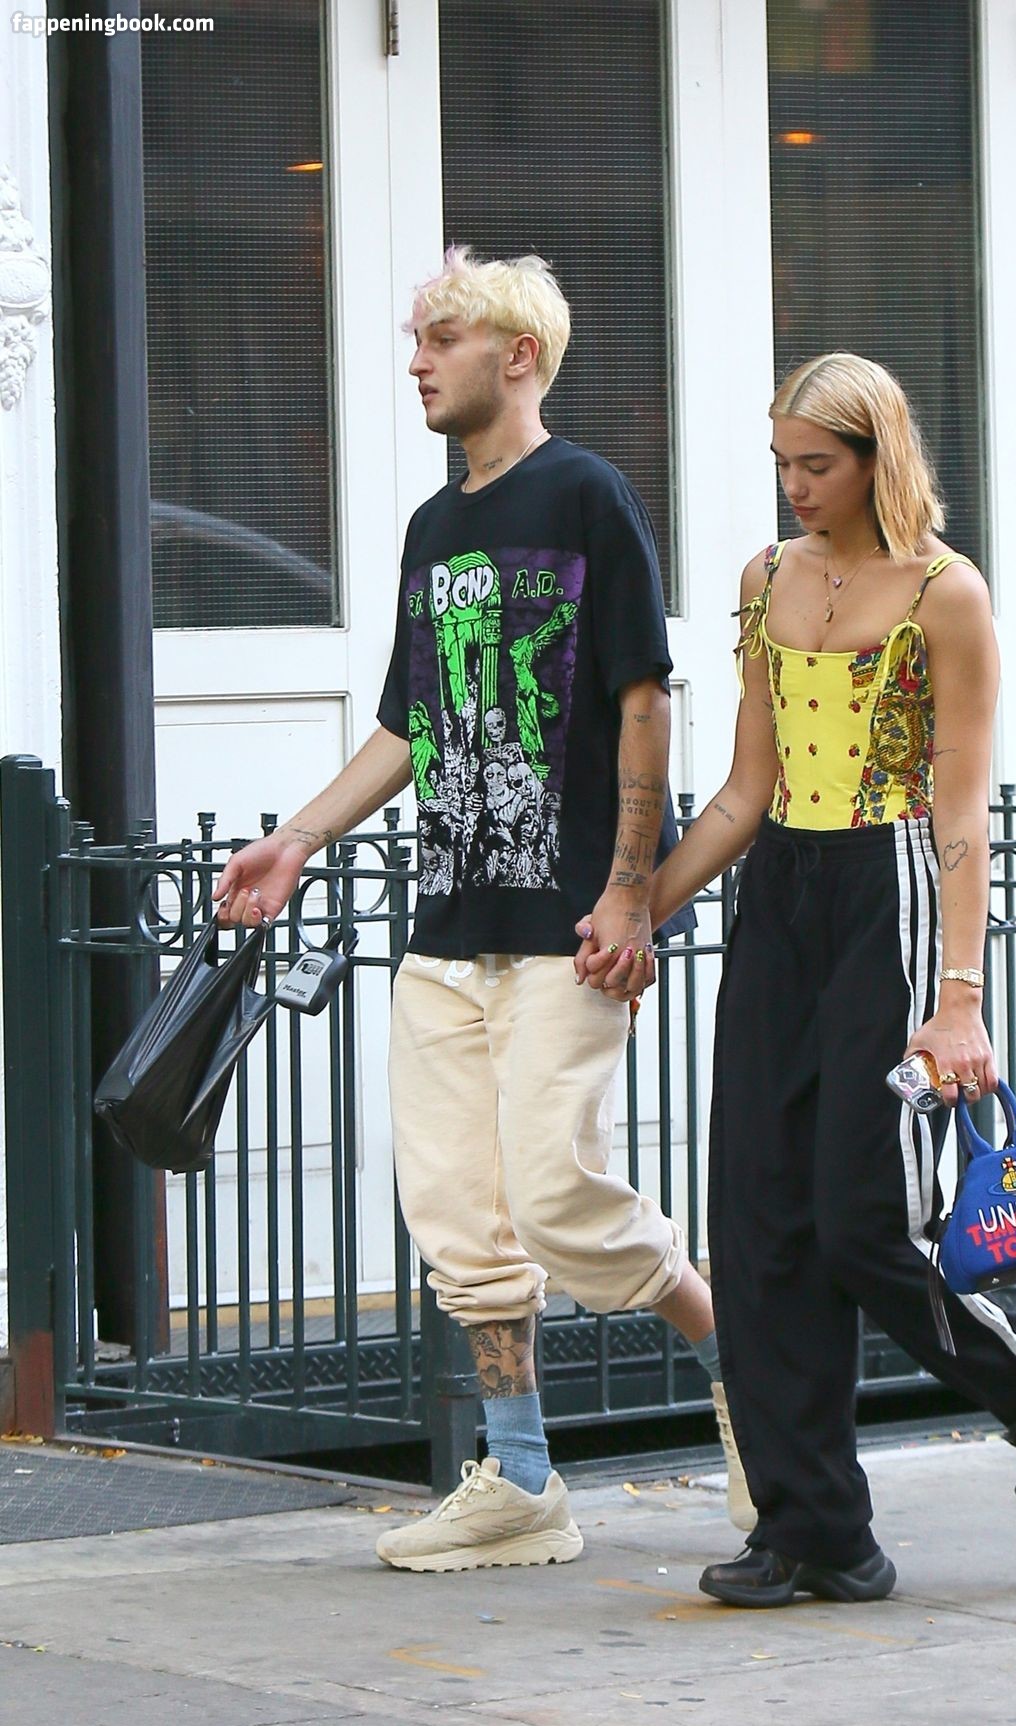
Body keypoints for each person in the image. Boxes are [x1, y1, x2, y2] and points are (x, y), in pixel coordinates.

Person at [214, 247, 752, 1572]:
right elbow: (410, 725)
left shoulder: (587, 495)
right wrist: (297, 839)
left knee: (561, 1197)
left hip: (570, 925)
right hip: (448, 928)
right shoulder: (430, 530)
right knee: (461, 1213)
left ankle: (756, 1384)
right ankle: (518, 1481)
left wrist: (629, 889)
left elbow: (642, 697)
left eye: (438, 338)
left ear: (515, 356)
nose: (414, 362)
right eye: (415, 338)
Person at [578, 352, 1016, 1608]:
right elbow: (743, 792)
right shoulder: (765, 579)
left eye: (815, 465)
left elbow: (959, 808)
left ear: (878, 458)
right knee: (759, 1228)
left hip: (890, 892)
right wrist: (636, 910)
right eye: (780, 463)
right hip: (779, 894)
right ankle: (814, 1528)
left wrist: (958, 998)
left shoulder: (945, 592)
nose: (793, 486)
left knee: (866, 1220)